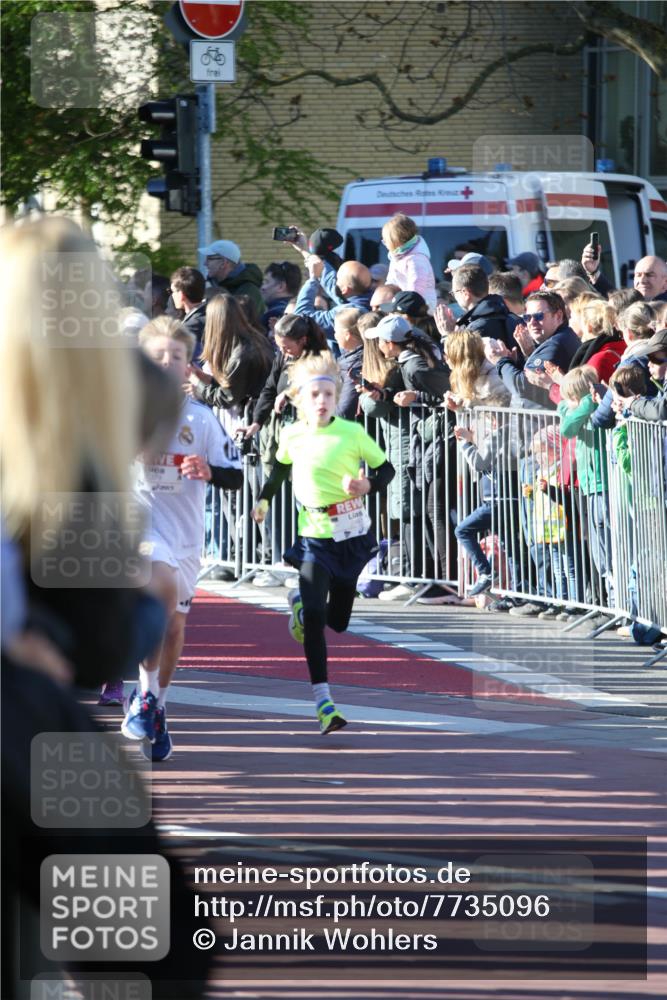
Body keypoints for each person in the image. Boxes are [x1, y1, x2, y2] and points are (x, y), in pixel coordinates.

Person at [251, 353, 394, 734]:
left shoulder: (351, 433)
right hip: (313, 535)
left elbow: (386, 469)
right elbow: (281, 465)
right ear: (300, 398)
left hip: (349, 535)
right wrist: (265, 499)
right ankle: (324, 703)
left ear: (336, 397)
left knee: (340, 622)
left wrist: (367, 485)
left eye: (328, 394)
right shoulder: (292, 434)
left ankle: (300, 605)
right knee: (316, 618)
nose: (322, 401)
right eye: (314, 394)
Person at [122, 317, 243, 760]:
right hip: (141, 525)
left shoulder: (202, 418)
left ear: (188, 365)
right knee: (158, 586)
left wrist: (209, 470)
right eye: (157, 356)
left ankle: (156, 706)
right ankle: (147, 696)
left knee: (174, 625)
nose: (167, 363)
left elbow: (235, 472)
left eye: (175, 357)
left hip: (187, 530)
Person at [558, 365, 614, 609]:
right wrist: (582, 405)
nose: (566, 401)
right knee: (597, 547)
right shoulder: (577, 411)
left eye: (571, 396)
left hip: (605, 483)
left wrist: (587, 404)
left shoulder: (594, 409)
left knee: (609, 546)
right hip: (588, 485)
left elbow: (570, 424)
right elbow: (566, 426)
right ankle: (608, 601)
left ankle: (615, 603)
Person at [486, 290, 580, 409]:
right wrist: (528, 354)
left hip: (544, 423)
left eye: (538, 316)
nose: (532, 322)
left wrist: (500, 361)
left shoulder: (556, 344)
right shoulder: (558, 338)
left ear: (558, 316)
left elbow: (522, 385)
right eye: (527, 317)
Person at [187, 293, 274, 411]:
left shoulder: (242, 353)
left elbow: (226, 398)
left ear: (214, 321)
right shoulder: (255, 339)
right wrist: (207, 379)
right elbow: (238, 386)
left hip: (255, 417)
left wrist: (197, 384)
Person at [450, 264, 519, 346]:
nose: (454, 297)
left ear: (465, 293)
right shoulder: (510, 316)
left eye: (454, 293)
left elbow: (460, 357)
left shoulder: (475, 331)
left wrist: (447, 334)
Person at [382, 213, 437, 311]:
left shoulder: (416, 260)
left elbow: (415, 291)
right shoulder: (397, 256)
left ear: (396, 240)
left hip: (420, 310)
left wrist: (404, 309)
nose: (384, 243)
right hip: (403, 303)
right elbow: (391, 282)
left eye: (385, 240)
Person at [198, 238, 265, 314]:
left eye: (209, 259)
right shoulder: (211, 284)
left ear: (223, 262)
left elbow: (238, 323)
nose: (205, 263)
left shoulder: (249, 291)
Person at [333, 306, 365, 420]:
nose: (335, 335)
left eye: (336, 331)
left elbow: (344, 410)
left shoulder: (355, 365)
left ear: (347, 334)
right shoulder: (349, 360)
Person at [170, 266, 207, 360]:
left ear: (181, 295)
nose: (172, 295)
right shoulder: (211, 313)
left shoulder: (190, 327)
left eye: (172, 291)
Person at [260, 260, 303, 333]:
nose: (262, 287)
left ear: (281, 287)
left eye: (266, 282)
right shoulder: (301, 311)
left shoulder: (272, 315)